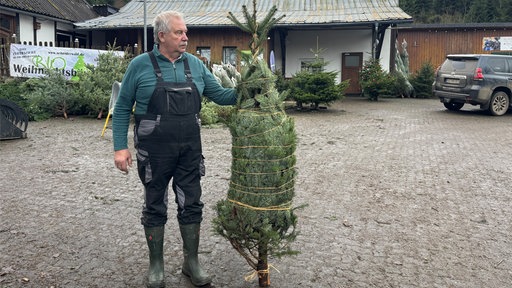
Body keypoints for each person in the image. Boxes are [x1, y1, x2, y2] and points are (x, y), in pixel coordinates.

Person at [112, 10, 237, 288]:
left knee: (191, 203)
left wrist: (250, 87)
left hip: (189, 151)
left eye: (185, 32)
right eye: (179, 32)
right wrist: (120, 147)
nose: (185, 37)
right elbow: (121, 108)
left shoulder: (195, 64)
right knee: (154, 204)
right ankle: (156, 264)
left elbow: (222, 97)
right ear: (162, 36)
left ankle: (191, 261)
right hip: (153, 152)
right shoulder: (139, 66)